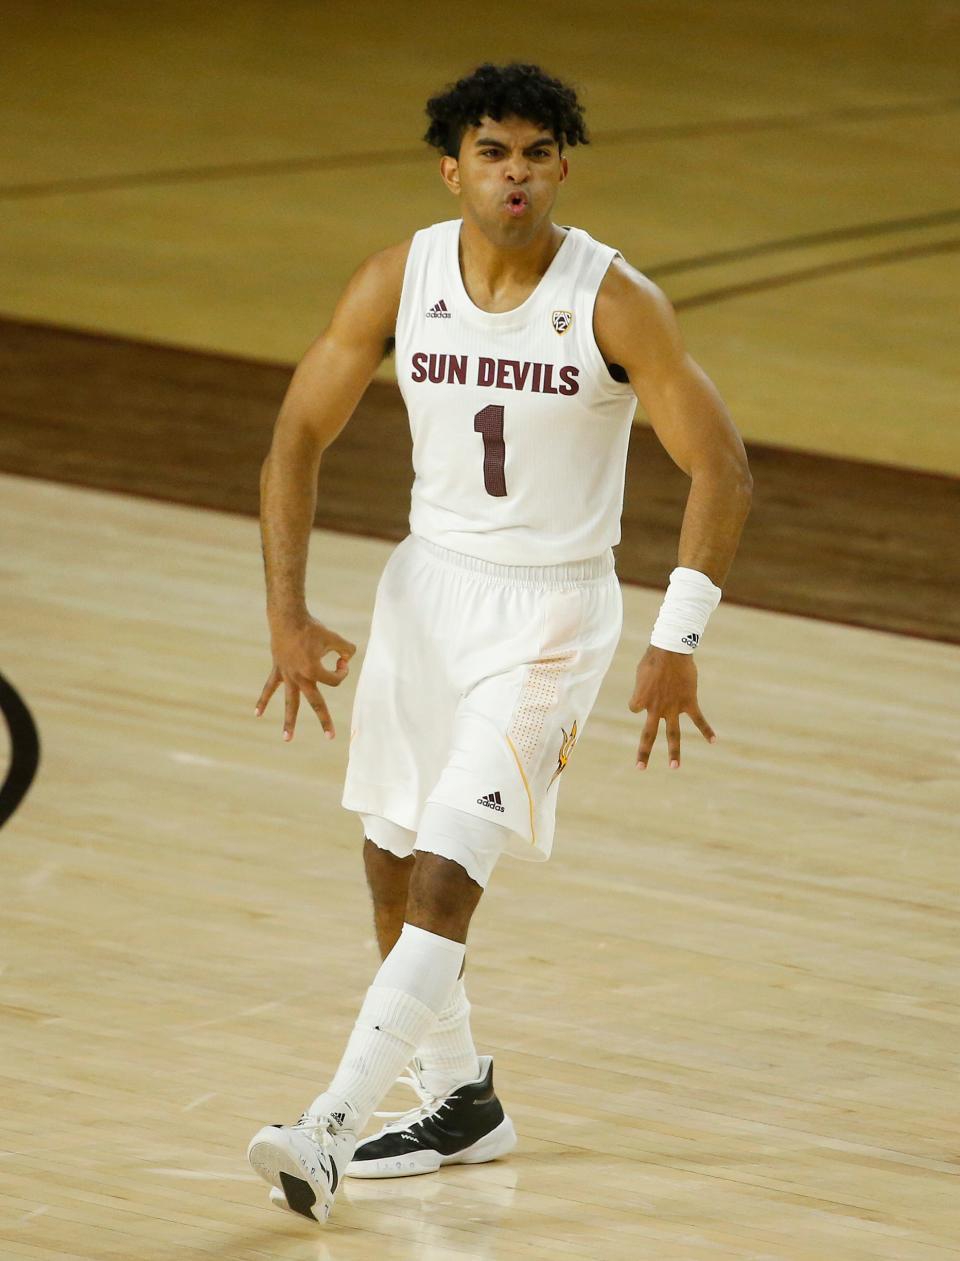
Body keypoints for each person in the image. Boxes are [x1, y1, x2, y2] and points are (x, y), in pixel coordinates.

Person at [246, 62, 752, 1224]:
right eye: (492, 152)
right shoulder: (397, 278)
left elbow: (722, 465)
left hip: (553, 612)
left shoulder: (614, 300)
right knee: (387, 859)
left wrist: (678, 634)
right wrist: (286, 609)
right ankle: (458, 1097)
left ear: (563, 166)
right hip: (425, 593)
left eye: (535, 153)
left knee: (446, 871)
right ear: (452, 167)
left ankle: (327, 1127)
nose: (513, 173)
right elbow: (294, 436)